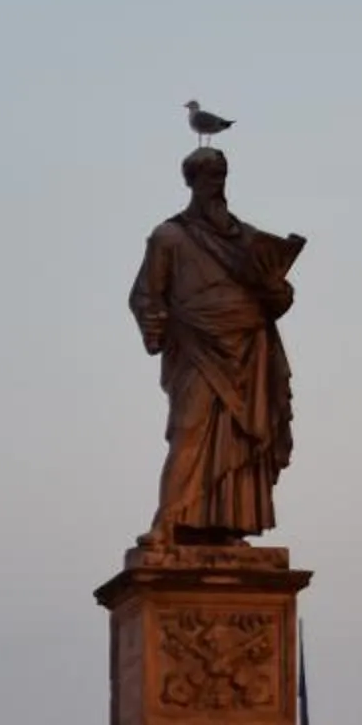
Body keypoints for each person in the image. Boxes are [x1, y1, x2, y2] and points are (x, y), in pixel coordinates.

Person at [128, 148, 304, 547]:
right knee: (189, 429)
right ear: (191, 180)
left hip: (248, 346)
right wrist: (156, 325)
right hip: (196, 345)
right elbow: (145, 295)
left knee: (239, 437)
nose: (217, 183)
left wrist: (277, 289)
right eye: (209, 175)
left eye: (222, 175)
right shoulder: (168, 237)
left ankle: (228, 522)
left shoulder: (246, 240)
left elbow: (277, 296)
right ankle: (169, 522)